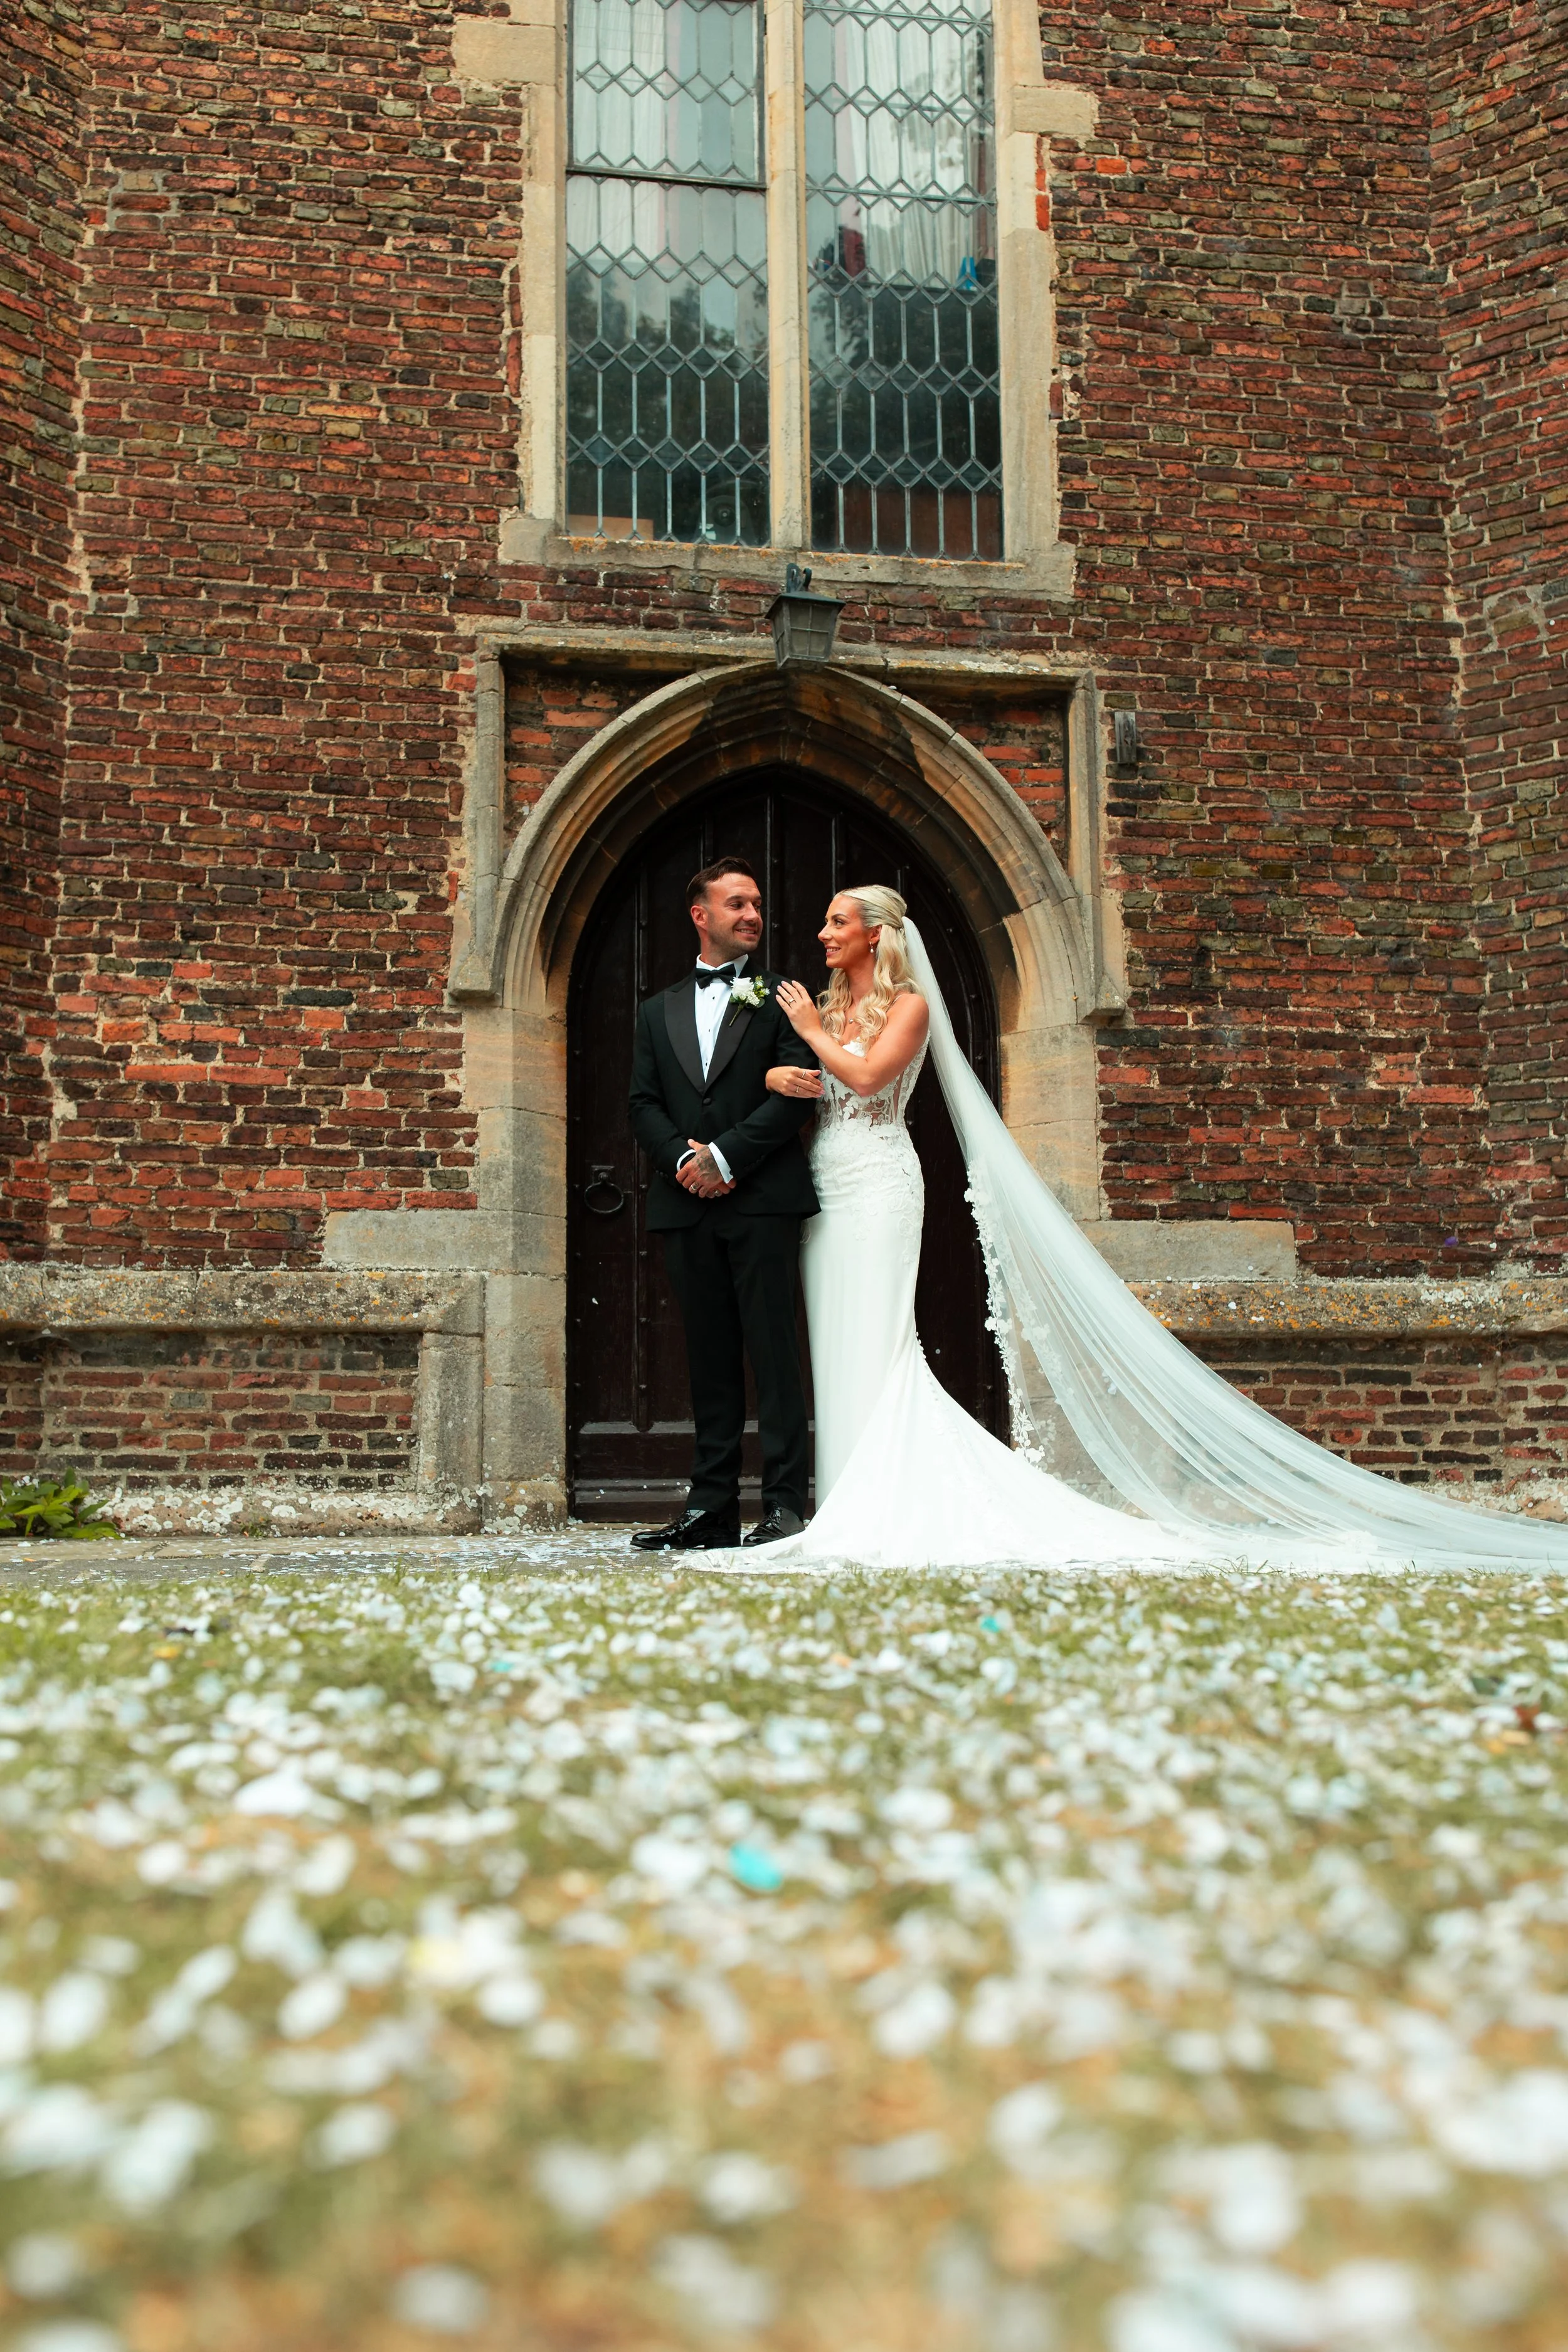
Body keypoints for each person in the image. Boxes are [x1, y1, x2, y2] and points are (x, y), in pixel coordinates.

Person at [748, 884, 1568, 1572]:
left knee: (880, 1336)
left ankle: (889, 1503)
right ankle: (846, 1494)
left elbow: (870, 1074)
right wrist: (791, 1070)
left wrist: (818, 1042)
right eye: (824, 923)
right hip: (830, 1184)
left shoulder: (912, 1005)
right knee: (834, 1334)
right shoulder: (835, 1003)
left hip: (885, 1183)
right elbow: (829, 1085)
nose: (822, 933)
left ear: (877, 935)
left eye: (836, 922)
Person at [627, 857, 821, 1551]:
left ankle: (784, 1507)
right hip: (686, 1205)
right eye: (736, 904)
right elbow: (642, 1104)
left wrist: (727, 1156)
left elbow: (797, 1092)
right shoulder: (657, 1011)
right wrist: (685, 1161)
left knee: (773, 1355)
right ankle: (709, 1511)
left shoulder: (784, 998)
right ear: (699, 915)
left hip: (762, 1199)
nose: (752, 916)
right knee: (707, 1360)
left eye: (758, 905)